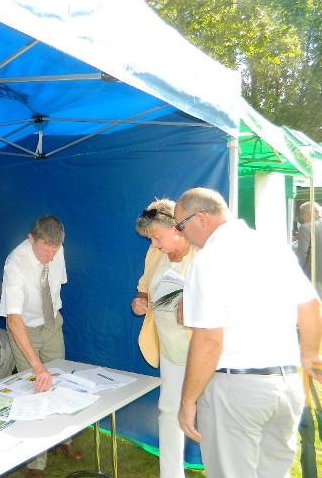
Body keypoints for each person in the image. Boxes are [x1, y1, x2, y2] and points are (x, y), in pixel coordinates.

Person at [175, 187, 322, 478]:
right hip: (286, 384)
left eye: (181, 225)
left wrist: (188, 400)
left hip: (236, 389)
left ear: (201, 219)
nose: (182, 234)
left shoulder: (207, 259)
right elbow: (310, 306)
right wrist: (308, 355)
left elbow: (209, 340)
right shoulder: (273, 246)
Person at [0, 215, 82, 478]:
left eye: (55, 251)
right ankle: (36, 462)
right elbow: (13, 320)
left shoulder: (57, 250)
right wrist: (37, 366)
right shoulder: (15, 263)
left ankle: (64, 438)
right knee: (34, 389)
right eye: (45, 251)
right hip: (25, 330)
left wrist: (52, 322)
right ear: (31, 238)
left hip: (51, 323)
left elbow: (55, 288)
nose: (50, 257)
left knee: (60, 382)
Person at [131, 199, 197, 478]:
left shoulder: (202, 254)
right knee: (169, 414)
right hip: (171, 352)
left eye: (157, 237)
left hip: (202, 352)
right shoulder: (154, 253)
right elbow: (144, 287)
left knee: (214, 417)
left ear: (177, 228)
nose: (154, 244)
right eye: (150, 239)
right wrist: (140, 301)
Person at [296, 201, 322, 297]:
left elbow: (302, 253)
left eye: (302, 214)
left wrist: (296, 269)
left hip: (314, 273)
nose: (302, 217)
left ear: (308, 213)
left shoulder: (305, 228)